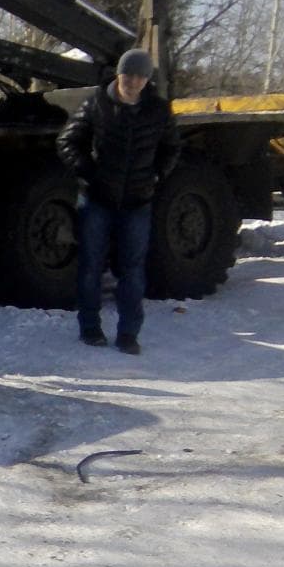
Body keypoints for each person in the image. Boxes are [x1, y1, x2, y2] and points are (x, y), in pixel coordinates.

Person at [55, 48, 180, 354]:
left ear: (146, 79)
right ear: (118, 74)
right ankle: (90, 328)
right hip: (98, 199)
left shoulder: (158, 110)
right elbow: (67, 140)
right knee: (90, 266)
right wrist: (88, 172)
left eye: (140, 76)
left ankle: (128, 334)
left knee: (133, 270)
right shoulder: (97, 103)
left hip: (137, 201)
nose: (133, 81)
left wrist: (156, 176)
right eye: (128, 74)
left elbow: (172, 147)